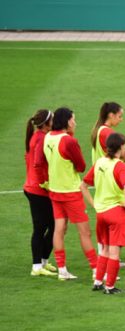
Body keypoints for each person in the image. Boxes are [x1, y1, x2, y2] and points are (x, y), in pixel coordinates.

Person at [41, 107, 97, 280]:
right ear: (66, 121)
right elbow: (80, 166)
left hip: (55, 191)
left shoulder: (48, 137)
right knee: (85, 232)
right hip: (71, 192)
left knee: (59, 229)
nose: (75, 122)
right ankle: (96, 269)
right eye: (73, 119)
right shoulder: (68, 141)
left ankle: (62, 270)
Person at [81, 133, 125, 295]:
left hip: (101, 213)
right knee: (114, 252)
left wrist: (94, 204)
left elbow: (83, 185)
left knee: (103, 250)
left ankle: (97, 282)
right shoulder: (120, 166)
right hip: (116, 212)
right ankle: (109, 286)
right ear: (121, 147)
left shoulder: (99, 163)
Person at [24, 109, 57, 277]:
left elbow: (28, 159)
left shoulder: (36, 137)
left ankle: (43, 261)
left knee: (54, 225)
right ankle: (36, 266)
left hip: (35, 188)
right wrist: (45, 182)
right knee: (41, 227)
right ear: (46, 124)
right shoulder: (41, 138)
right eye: (52, 119)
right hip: (38, 190)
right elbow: (37, 164)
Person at [91, 102, 125, 169]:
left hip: (99, 174)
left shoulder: (98, 130)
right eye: (119, 116)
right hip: (107, 175)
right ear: (111, 115)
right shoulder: (108, 133)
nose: (121, 119)